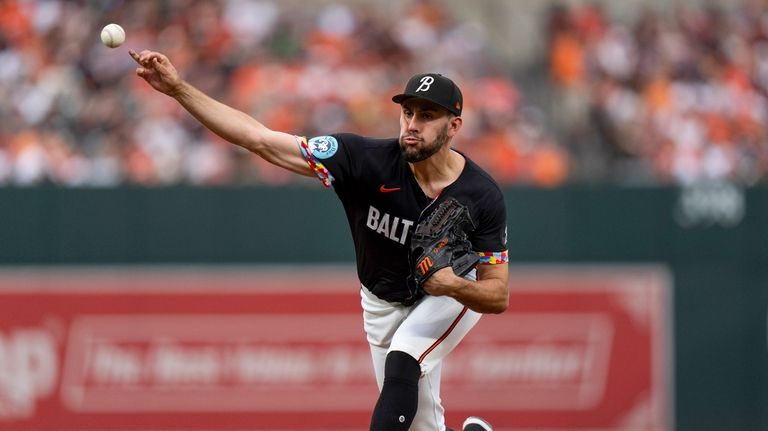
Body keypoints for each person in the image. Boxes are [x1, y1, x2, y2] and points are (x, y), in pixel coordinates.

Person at [129, 48, 509, 431]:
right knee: (420, 423)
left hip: (448, 293)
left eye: (427, 116)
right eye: (407, 112)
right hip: (381, 300)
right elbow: (258, 139)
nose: (412, 124)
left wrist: (453, 284)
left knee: (404, 359)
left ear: (454, 126)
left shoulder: (480, 194)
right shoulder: (363, 160)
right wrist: (179, 90)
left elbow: (498, 296)